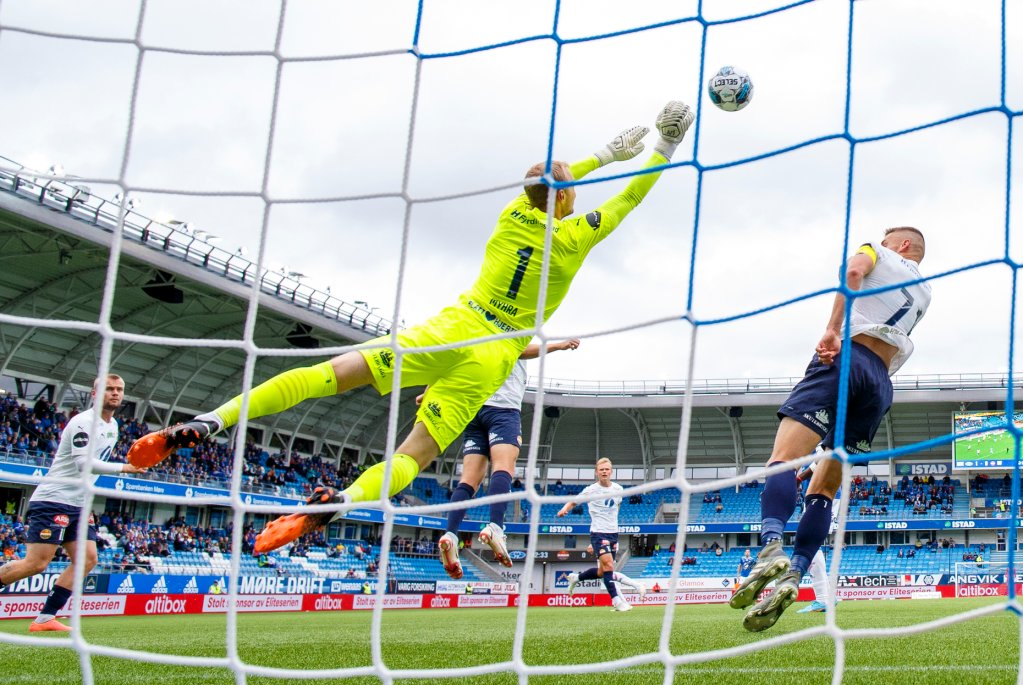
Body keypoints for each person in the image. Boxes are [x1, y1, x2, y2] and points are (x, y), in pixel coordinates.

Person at [125, 101, 696, 554]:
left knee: (329, 373)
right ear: (569, 197)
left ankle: (210, 419)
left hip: (454, 325)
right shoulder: (577, 238)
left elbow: (547, 181)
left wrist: (601, 153)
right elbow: (631, 200)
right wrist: (663, 145)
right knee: (415, 454)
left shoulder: (513, 216)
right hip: (491, 356)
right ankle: (343, 500)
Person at [731, 227, 931, 632]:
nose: (882, 238)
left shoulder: (877, 251)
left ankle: (771, 546)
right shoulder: (926, 292)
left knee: (782, 461)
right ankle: (797, 573)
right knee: (822, 490)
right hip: (878, 384)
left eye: (888, 236)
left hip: (846, 357)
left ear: (902, 244)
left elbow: (853, 274)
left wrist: (830, 329)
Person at [0, 375, 145, 632]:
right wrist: (125, 468)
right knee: (36, 564)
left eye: (119, 389)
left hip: (79, 504)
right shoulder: (83, 422)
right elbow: (83, 463)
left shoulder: (113, 426)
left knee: (88, 559)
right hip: (54, 499)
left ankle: (45, 618)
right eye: (109, 389)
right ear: (94, 393)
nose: (114, 393)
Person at [434, 338, 580, 579]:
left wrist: (431, 391)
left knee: (469, 480)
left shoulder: (478, 329)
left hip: (474, 410)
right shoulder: (511, 324)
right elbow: (520, 349)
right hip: (502, 408)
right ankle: (495, 527)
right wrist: (557, 346)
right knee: (503, 467)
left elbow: (453, 363)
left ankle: (450, 534)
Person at [559, 458, 633, 611]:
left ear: (611, 471)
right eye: (601, 470)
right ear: (597, 472)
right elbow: (574, 501)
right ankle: (617, 602)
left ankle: (576, 578)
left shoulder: (619, 489)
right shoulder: (591, 490)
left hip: (613, 533)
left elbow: (617, 507)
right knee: (609, 566)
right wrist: (565, 509)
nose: (604, 472)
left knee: (601, 572)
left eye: (607, 469)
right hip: (598, 533)